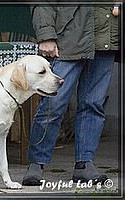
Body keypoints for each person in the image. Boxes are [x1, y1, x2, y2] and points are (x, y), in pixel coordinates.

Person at [22, 5, 120, 186]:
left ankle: (84, 164)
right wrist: (46, 35)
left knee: (93, 105)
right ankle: (36, 162)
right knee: (54, 103)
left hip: (106, 39)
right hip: (69, 37)